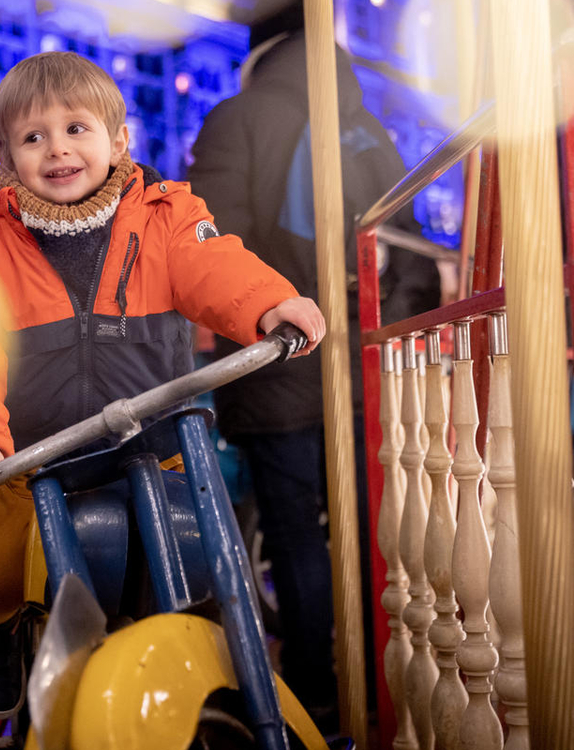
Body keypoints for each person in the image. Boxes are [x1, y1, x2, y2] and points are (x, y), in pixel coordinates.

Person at [0, 50, 326, 719]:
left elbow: (214, 266)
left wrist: (267, 304)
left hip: (154, 447)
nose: (58, 149)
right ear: (7, 159)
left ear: (119, 142)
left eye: (76, 129)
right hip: (34, 457)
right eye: (33, 137)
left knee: (216, 557)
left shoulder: (165, 216)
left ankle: (231, 682)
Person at [187, 4, 442, 732]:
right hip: (372, 368)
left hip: (279, 363)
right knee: (372, 526)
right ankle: (386, 677)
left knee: (296, 532)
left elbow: (213, 242)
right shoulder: (370, 130)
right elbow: (416, 253)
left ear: (259, 55)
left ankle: (313, 689)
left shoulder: (237, 120)